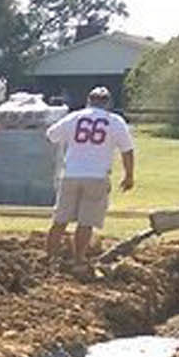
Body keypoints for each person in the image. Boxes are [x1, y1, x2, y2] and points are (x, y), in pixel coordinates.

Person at [44, 87, 135, 266]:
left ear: (88, 101)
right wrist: (129, 175)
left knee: (60, 220)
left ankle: (50, 257)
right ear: (108, 103)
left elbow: (51, 135)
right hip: (97, 176)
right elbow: (127, 150)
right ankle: (79, 259)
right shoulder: (115, 121)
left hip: (71, 174)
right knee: (86, 222)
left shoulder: (74, 117)